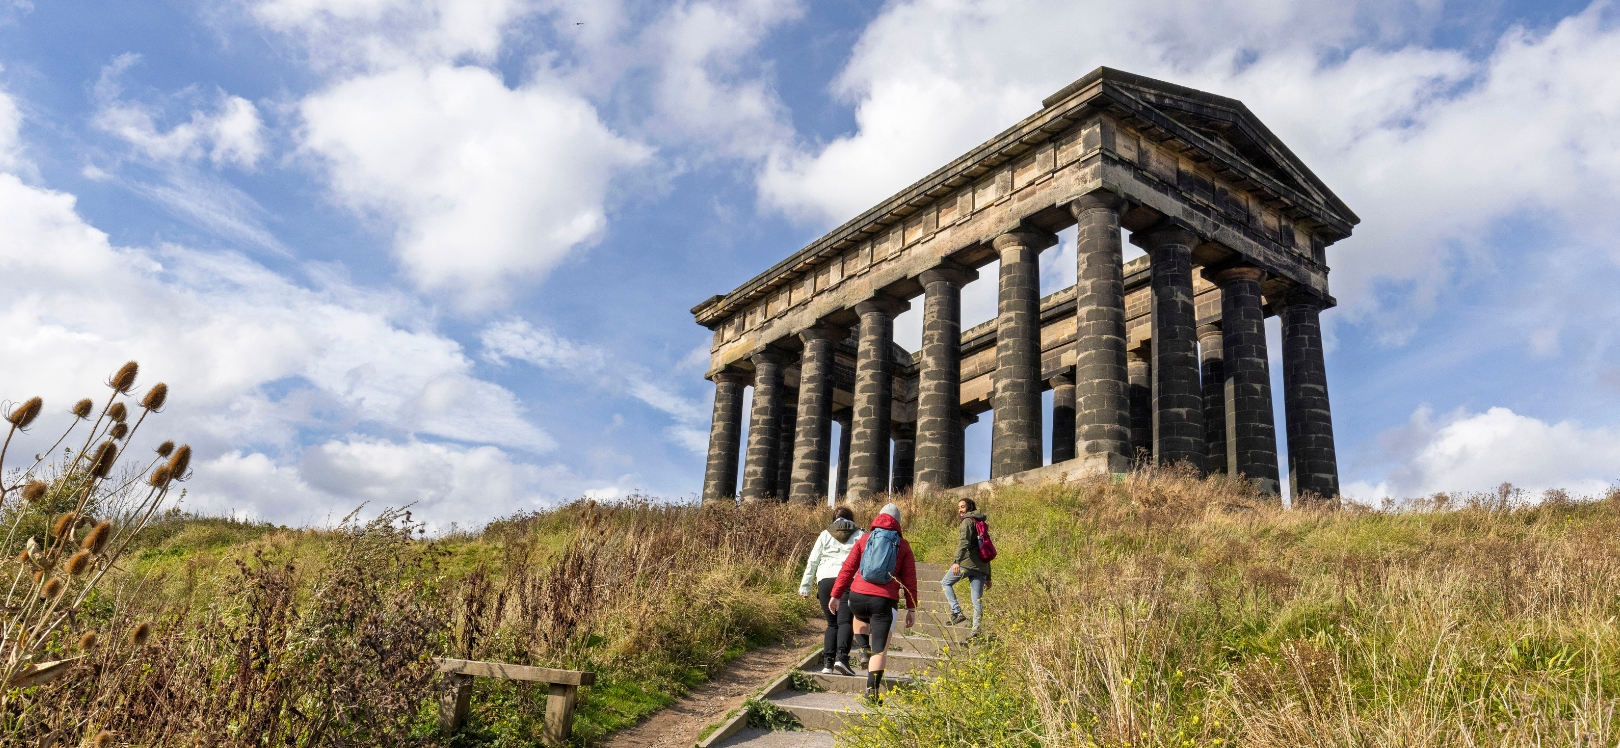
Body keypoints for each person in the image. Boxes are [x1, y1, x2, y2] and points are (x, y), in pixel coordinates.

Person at [830, 503, 918, 700]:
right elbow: (910, 581)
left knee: (859, 615)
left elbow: (848, 569)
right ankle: (872, 691)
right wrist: (911, 608)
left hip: (857, 597)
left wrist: (836, 594)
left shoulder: (864, 539)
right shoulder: (903, 545)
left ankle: (862, 646)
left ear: (878, 519)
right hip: (884, 601)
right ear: (898, 523)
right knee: (880, 651)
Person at [799, 507, 864, 674]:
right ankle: (842, 659)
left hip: (825, 580)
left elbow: (813, 561)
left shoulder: (825, 534)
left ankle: (827, 664)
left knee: (832, 623)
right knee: (844, 622)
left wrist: (805, 586)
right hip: (847, 580)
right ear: (851, 518)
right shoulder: (860, 534)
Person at [941, 497, 992, 632]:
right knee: (977, 601)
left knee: (945, 583)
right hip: (981, 568)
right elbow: (986, 549)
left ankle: (956, 611)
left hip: (967, 564)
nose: (960, 510)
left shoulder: (967, 521)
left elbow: (964, 542)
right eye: (959, 508)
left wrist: (957, 561)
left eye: (962, 507)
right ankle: (976, 631)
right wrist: (988, 576)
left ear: (969, 507)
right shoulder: (980, 522)